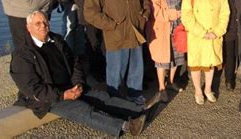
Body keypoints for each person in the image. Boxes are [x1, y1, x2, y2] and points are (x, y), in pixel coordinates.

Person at [10, 11, 148, 136]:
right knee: (83, 110)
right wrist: (63, 95)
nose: (43, 26)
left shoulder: (57, 41)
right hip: (49, 98)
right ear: (28, 28)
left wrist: (78, 83)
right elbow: (31, 88)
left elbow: (75, 63)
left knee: (103, 97)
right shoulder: (22, 54)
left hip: (70, 86)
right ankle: (126, 126)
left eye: (45, 22)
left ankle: (139, 110)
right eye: (37, 23)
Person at [84, 0, 150, 104]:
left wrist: (144, 16)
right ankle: (114, 98)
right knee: (115, 69)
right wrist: (110, 25)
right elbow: (90, 12)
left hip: (135, 30)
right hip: (116, 33)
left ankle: (135, 94)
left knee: (136, 66)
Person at [181, 0, 230, 105]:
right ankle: (197, 91)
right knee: (196, 65)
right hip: (197, 36)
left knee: (210, 65)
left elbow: (225, 13)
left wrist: (218, 31)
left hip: (214, 35)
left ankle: (208, 89)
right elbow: (186, 16)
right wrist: (202, 33)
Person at [147, 0, 185, 104]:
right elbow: (154, 10)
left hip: (178, 25)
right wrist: (172, 14)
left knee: (177, 55)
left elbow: (185, 0)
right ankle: (162, 88)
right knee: (162, 59)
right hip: (162, 26)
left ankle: (171, 81)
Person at [218, 0, 241, 90]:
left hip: (234, 22)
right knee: (225, 52)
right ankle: (224, 78)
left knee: (233, 51)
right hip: (221, 22)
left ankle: (230, 77)